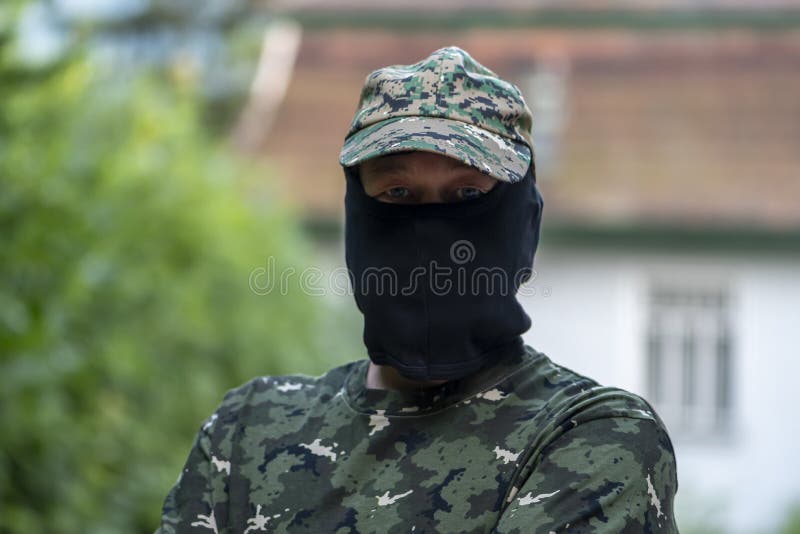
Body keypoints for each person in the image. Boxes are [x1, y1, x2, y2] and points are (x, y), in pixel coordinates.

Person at [156, 46, 679, 533]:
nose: (431, 227)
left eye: (467, 193)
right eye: (398, 192)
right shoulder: (247, 430)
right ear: (357, 219)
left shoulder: (593, 439)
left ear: (524, 225)